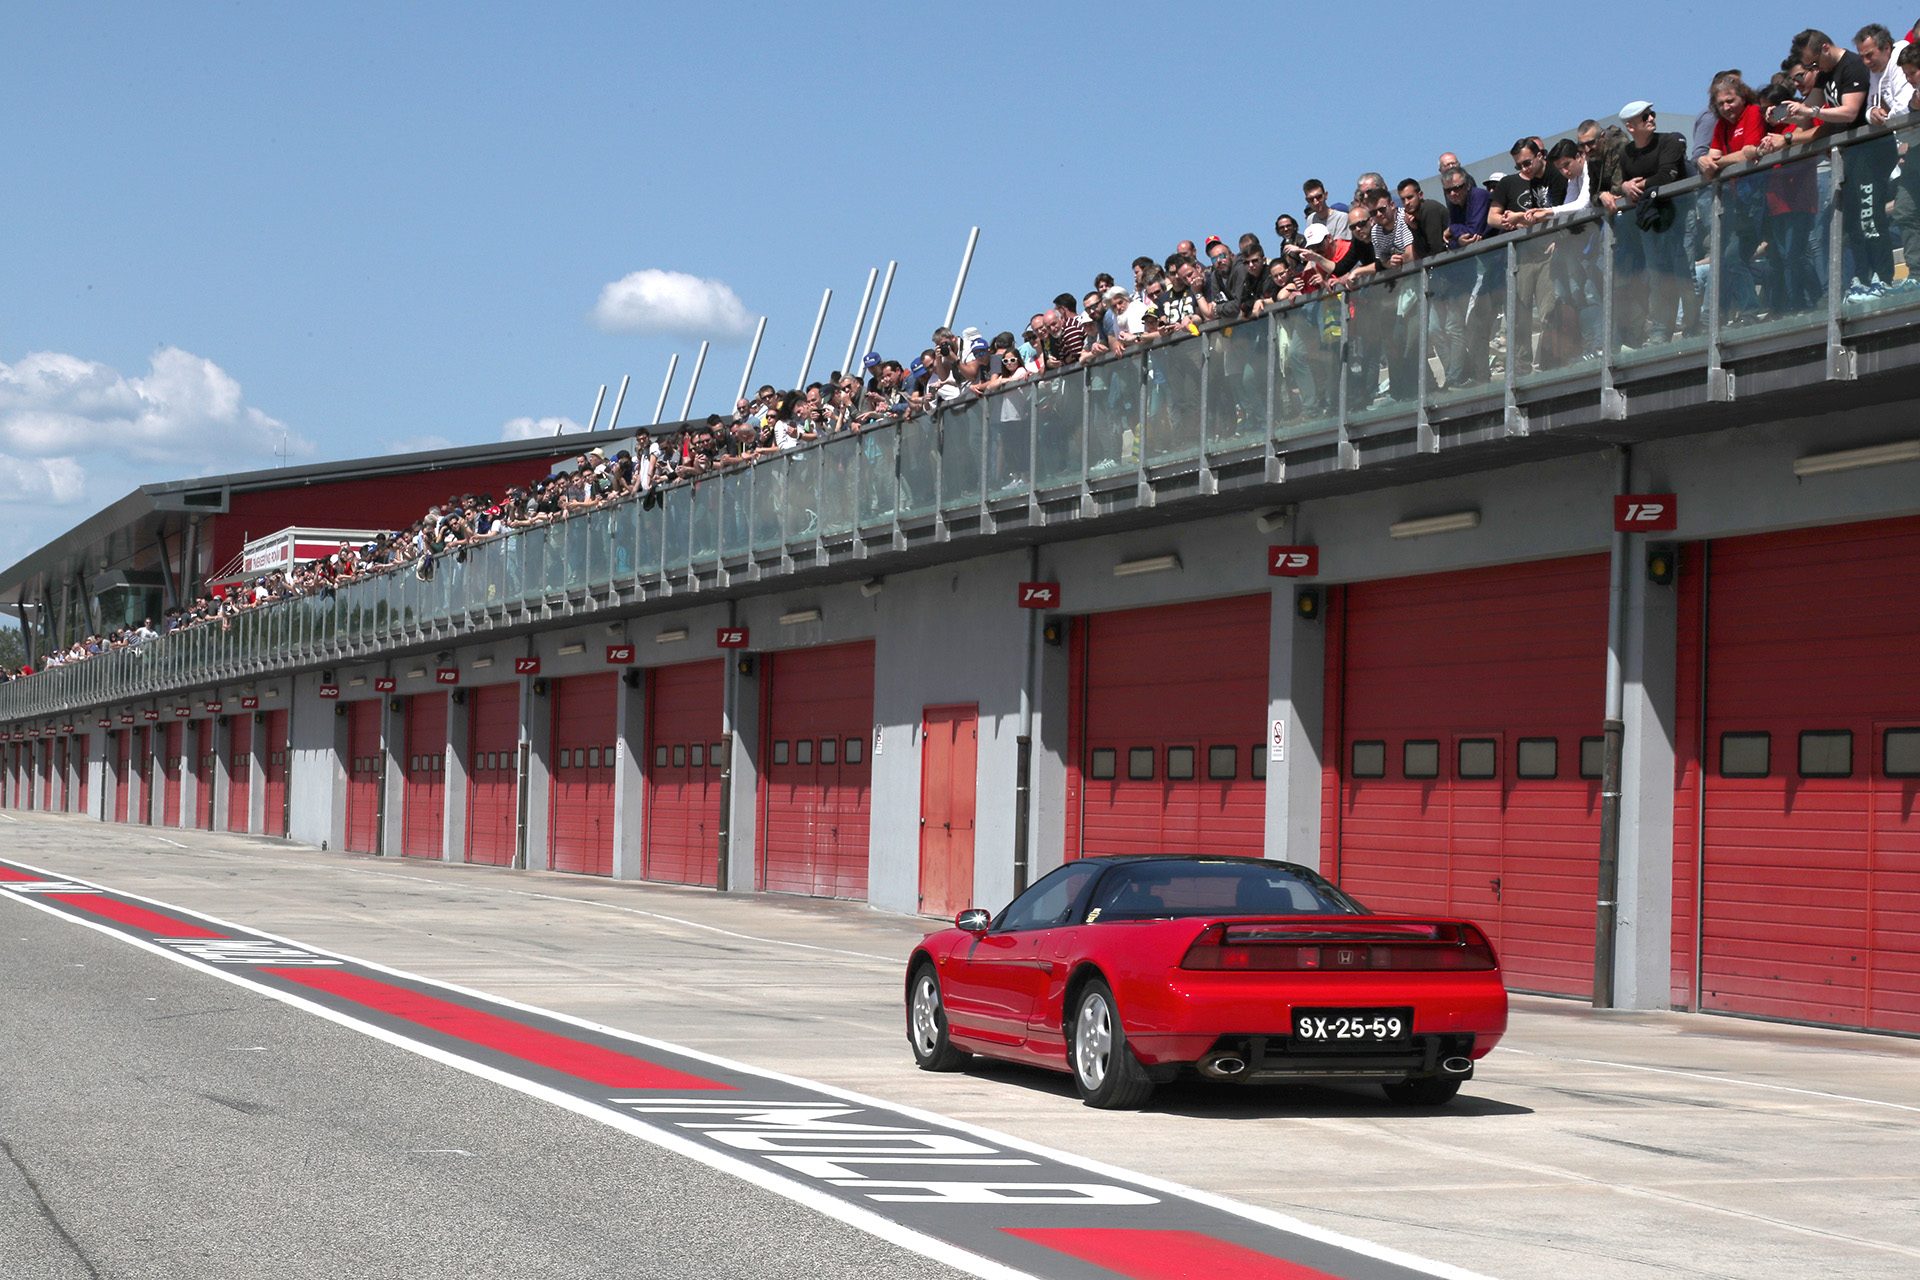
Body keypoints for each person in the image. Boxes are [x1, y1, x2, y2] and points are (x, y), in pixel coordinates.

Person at [1783, 28, 1893, 296]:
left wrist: (1811, 110)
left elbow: (1849, 111)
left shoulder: (1852, 66)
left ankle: (1883, 277)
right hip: (1849, 157)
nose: (1812, 69)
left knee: (1870, 218)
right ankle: (1862, 277)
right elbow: (1808, 112)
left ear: (1824, 49)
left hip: (1870, 151)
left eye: (1812, 63)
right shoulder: (1825, 73)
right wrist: (1785, 115)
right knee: (1853, 222)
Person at [1611, 102, 1691, 346]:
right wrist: (1624, 186)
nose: (1651, 118)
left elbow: (1667, 175)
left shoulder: (1671, 140)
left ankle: (1695, 325)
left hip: (1680, 216)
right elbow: (1622, 184)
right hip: (1650, 221)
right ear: (1631, 127)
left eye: (1652, 113)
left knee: (1685, 274)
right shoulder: (1626, 154)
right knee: (1659, 277)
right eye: (1645, 116)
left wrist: (1636, 185)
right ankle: (1661, 330)